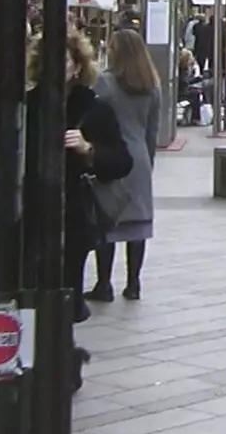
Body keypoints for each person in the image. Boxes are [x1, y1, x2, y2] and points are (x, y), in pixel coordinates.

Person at [23, 31, 133, 389]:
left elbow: (121, 161)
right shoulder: (29, 105)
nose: (59, 68)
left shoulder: (93, 106)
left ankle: (62, 362)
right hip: (32, 212)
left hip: (73, 214)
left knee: (63, 289)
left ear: (77, 65)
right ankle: (53, 358)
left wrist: (89, 150)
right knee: (31, 289)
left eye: (66, 60)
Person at [88, 28, 162, 303]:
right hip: (139, 157)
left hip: (110, 153)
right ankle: (133, 283)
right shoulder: (152, 85)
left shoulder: (104, 83)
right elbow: (153, 130)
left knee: (107, 218)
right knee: (137, 224)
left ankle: (104, 283)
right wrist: (149, 161)